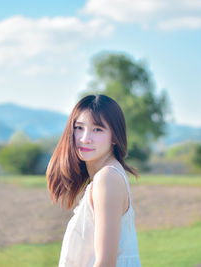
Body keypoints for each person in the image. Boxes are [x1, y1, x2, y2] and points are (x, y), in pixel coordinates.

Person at [46, 94, 142, 266]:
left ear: (114, 136)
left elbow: (105, 262)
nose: (85, 138)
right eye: (79, 128)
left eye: (97, 129)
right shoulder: (104, 177)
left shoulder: (108, 178)